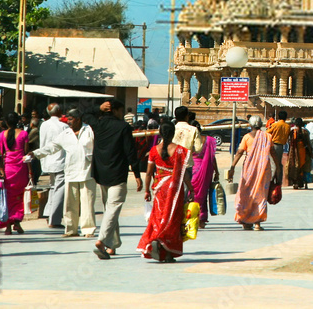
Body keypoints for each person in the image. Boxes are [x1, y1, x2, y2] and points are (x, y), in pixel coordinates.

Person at [29, 108, 96, 237]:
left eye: (71, 119)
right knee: (70, 204)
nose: (68, 122)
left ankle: (88, 230)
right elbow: (52, 147)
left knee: (87, 203)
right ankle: (71, 229)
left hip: (87, 172)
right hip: (71, 172)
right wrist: (36, 153)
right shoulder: (66, 134)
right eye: (68, 119)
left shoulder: (89, 131)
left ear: (78, 119)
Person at [92, 99, 143, 260]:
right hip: (118, 174)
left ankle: (112, 245)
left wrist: (97, 108)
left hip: (101, 174)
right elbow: (130, 151)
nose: (122, 114)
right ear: (115, 111)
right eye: (121, 111)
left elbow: (85, 115)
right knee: (112, 210)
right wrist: (136, 173)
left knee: (110, 209)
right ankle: (102, 240)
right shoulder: (123, 127)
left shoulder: (97, 125)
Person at [137, 122, 191, 263]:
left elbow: (149, 173)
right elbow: (184, 174)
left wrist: (146, 190)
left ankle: (157, 239)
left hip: (159, 189)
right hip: (174, 189)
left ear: (160, 133)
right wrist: (191, 189)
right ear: (173, 134)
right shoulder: (180, 151)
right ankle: (165, 249)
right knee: (172, 219)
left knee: (158, 217)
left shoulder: (154, 151)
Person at [227, 115, 274, 230]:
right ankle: (257, 222)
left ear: (250, 125)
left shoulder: (247, 137)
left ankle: (245, 220)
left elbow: (239, 152)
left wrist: (232, 167)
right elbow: (273, 153)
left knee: (246, 194)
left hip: (249, 170)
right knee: (261, 194)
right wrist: (278, 167)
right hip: (263, 169)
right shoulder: (267, 136)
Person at [0, 112, 30, 235]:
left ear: (5, 122)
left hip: (8, 168)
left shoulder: (1, 135)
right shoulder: (24, 134)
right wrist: (30, 171)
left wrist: (1, 170)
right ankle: (17, 222)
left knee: (8, 197)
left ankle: (8, 226)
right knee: (19, 196)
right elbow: (26, 153)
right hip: (21, 168)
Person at [39, 103, 70, 230]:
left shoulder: (43, 125)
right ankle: (54, 219)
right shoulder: (64, 126)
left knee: (53, 188)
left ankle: (48, 212)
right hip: (60, 160)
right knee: (59, 190)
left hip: (47, 160)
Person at [190, 124, 219, 225]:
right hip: (206, 170)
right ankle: (202, 218)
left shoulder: (190, 140)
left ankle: (192, 216)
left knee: (191, 194)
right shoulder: (209, 140)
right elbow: (212, 158)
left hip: (192, 169)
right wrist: (217, 172)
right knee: (203, 194)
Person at [287, 119, 313, 190]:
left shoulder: (292, 132)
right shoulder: (305, 132)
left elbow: (290, 141)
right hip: (303, 152)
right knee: (304, 167)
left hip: (294, 152)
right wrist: (311, 152)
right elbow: (308, 142)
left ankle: (295, 183)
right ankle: (305, 184)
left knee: (295, 167)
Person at [268, 111, 290, 185]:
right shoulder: (287, 126)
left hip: (273, 145)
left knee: (273, 163)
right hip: (281, 146)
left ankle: (271, 179)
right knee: (279, 163)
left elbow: (267, 132)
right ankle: (279, 180)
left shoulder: (275, 125)